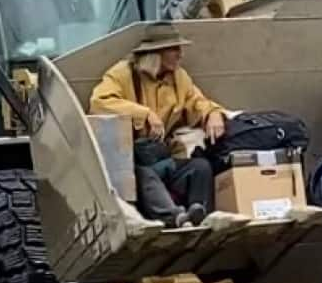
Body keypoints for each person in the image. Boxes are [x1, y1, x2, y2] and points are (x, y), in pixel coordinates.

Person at [89, 21, 226, 227]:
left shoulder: (179, 76)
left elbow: (197, 102)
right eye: (174, 49)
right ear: (156, 53)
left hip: (163, 157)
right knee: (143, 174)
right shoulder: (122, 74)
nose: (180, 54)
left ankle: (199, 216)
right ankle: (176, 218)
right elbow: (99, 103)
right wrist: (144, 114)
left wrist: (213, 113)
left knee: (200, 167)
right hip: (133, 162)